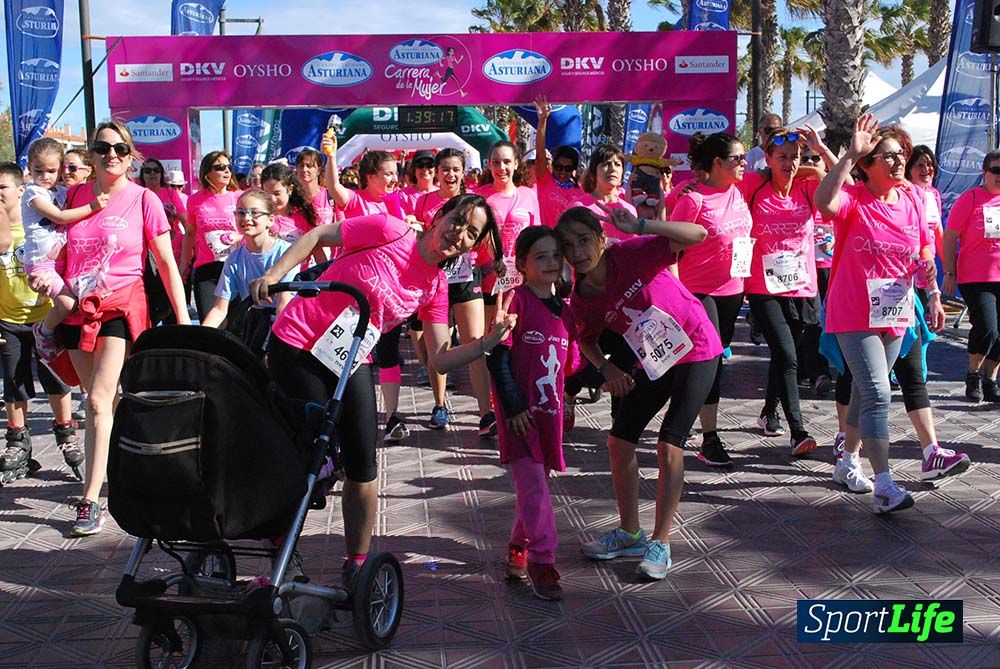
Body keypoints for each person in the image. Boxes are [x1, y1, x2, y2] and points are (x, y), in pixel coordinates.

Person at [249, 193, 505, 584]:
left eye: (472, 232)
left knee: (363, 463)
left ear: (474, 245)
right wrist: (274, 273)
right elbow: (318, 235)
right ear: (439, 217)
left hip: (351, 358)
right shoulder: (390, 230)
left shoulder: (436, 286)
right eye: (457, 220)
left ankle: (356, 563)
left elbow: (438, 358)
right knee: (312, 450)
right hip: (299, 343)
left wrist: (487, 342)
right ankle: (281, 543)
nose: (459, 233)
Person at [557, 204, 720, 580]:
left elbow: (697, 234)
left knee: (669, 444)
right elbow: (586, 339)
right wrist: (605, 368)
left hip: (696, 348)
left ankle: (660, 541)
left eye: (584, 241)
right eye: (569, 246)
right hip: (656, 359)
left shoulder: (629, 253)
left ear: (601, 238)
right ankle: (630, 532)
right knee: (619, 442)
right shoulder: (583, 296)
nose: (577, 252)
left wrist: (641, 224)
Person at [58, 121, 191, 534]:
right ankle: (128, 463)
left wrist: (184, 319)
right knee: (100, 401)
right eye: (102, 148)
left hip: (118, 307)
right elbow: (56, 249)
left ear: (130, 155)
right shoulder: (76, 196)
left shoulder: (144, 199)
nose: (110, 154)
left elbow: (166, 262)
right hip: (75, 308)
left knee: (97, 401)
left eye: (119, 148)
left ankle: (90, 499)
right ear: (91, 155)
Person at [814, 114, 944, 515]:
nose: (898, 161)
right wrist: (849, 155)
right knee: (877, 391)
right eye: (886, 156)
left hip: (896, 310)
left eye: (900, 154)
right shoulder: (855, 199)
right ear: (868, 166)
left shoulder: (912, 199)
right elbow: (823, 202)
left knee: (862, 391)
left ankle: (847, 462)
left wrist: (932, 285)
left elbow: (923, 249)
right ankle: (885, 485)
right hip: (853, 311)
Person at [486, 227, 574, 600]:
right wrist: (512, 404)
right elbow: (497, 357)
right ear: (521, 264)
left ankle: (519, 547)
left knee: (536, 486)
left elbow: (569, 367)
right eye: (541, 257)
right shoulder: (514, 302)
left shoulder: (567, 312)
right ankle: (542, 561)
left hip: (550, 417)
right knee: (535, 487)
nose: (551, 263)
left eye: (556, 255)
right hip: (519, 417)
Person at [742, 127, 836, 455]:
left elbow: (845, 186)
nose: (790, 164)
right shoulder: (755, 184)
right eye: (782, 157)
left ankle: (769, 410)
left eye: (795, 158)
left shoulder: (808, 187)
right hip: (762, 286)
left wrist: (818, 156)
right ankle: (798, 430)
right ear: (767, 158)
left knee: (784, 354)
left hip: (801, 285)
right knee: (788, 355)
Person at [669, 132, 752, 467]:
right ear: (717, 163)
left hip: (734, 290)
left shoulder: (740, 190)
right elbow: (669, 247)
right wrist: (675, 293)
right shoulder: (694, 199)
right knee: (711, 363)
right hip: (698, 293)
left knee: (708, 364)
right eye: (737, 159)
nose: (744, 164)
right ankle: (710, 438)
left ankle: (687, 418)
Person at [321, 135, 412, 440]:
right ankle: (345, 416)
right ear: (370, 176)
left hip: (387, 294)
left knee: (389, 354)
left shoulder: (398, 203)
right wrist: (330, 155)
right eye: (387, 173)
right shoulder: (356, 200)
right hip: (354, 296)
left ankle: (392, 417)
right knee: (352, 357)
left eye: (395, 174)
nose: (393, 179)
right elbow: (333, 187)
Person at [0, 162, 78, 485]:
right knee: (14, 384)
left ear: (21, 189)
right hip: (9, 320)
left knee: (55, 381)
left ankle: (67, 434)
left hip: (44, 316)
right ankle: (17, 440)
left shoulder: (38, 224)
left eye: (2, 187)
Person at [413, 149, 494, 432]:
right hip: (432, 281)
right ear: (436, 172)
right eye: (444, 169)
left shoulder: (474, 204)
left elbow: (485, 244)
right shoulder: (423, 201)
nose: (450, 174)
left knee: (474, 342)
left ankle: (486, 413)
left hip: (464, 277)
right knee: (440, 347)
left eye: (455, 169)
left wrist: (495, 265)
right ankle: (439, 405)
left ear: (463, 172)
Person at [20, 138, 110, 364]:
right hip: (41, 263)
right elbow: (58, 217)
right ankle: (43, 331)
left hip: (59, 261)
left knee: (73, 304)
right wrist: (93, 206)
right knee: (68, 303)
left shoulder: (60, 191)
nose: (45, 176)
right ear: (29, 168)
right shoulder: (33, 193)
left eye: (51, 170)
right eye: (38, 170)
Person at [943, 149, 1000, 403]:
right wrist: (949, 272)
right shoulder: (971, 198)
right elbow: (950, 238)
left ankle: (990, 380)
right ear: (984, 172)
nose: (999, 176)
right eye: (995, 171)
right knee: (987, 328)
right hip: (976, 276)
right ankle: (973, 374)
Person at [201, 189, 296, 328]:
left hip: (285, 322)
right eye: (241, 212)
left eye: (255, 213)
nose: (246, 218)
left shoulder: (287, 252)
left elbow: (284, 303)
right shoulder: (234, 259)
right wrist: (199, 337)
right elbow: (220, 309)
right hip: (254, 321)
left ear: (270, 220)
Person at [181, 151, 242, 321]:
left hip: (235, 266)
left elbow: (250, 231)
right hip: (207, 269)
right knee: (209, 323)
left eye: (229, 167)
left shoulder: (239, 197)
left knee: (236, 325)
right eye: (220, 167)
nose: (226, 171)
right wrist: (183, 265)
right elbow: (190, 234)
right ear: (207, 172)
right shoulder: (195, 200)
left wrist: (234, 238)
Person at [139, 157, 187, 325]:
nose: (152, 174)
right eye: (147, 171)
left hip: (171, 253)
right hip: (146, 258)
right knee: (151, 306)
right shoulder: (138, 194)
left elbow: (186, 221)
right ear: (142, 175)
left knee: (171, 308)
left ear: (161, 174)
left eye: (156, 170)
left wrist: (189, 251)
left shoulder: (170, 193)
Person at [533, 96, 586, 229]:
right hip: (548, 241)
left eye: (568, 168)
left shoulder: (581, 191)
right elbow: (540, 155)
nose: (562, 171)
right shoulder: (545, 180)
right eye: (558, 167)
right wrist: (543, 120)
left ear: (574, 169)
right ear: (552, 165)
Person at [296, 148, 335, 226]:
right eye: (301, 166)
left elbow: (340, 223)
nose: (304, 169)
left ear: (318, 170)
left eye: (309, 166)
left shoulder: (330, 195)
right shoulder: (291, 197)